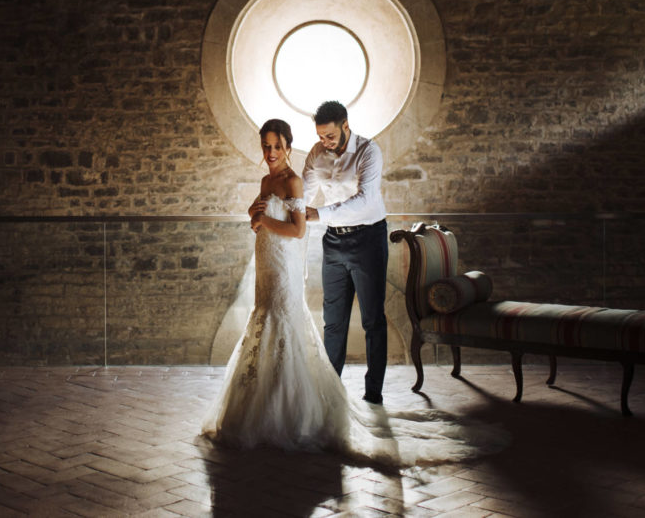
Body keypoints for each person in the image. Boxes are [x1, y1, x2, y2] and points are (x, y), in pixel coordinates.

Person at [201, 119, 503, 463]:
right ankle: (261, 408)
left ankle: (301, 412)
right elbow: (259, 214)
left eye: (276, 146)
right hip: (266, 262)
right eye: (265, 146)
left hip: (288, 263)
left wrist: (264, 221)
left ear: (287, 146)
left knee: (291, 322)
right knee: (276, 321)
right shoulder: (267, 179)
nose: (270, 152)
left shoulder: (293, 180)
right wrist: (254, 216)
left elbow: (298, 230)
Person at [303, 100, 388, 405]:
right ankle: (330, 390)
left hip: (368, 239)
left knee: (372, 320)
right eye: (320, 136)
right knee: (333, 321)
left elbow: (365, 201)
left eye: (330, 136)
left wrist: (318, 214)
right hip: (333, 243)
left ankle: (374, 393)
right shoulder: (316, 152)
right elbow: (304, 193)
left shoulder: (369, 151)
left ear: (346, 126)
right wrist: (279, 210)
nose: (325, 143)